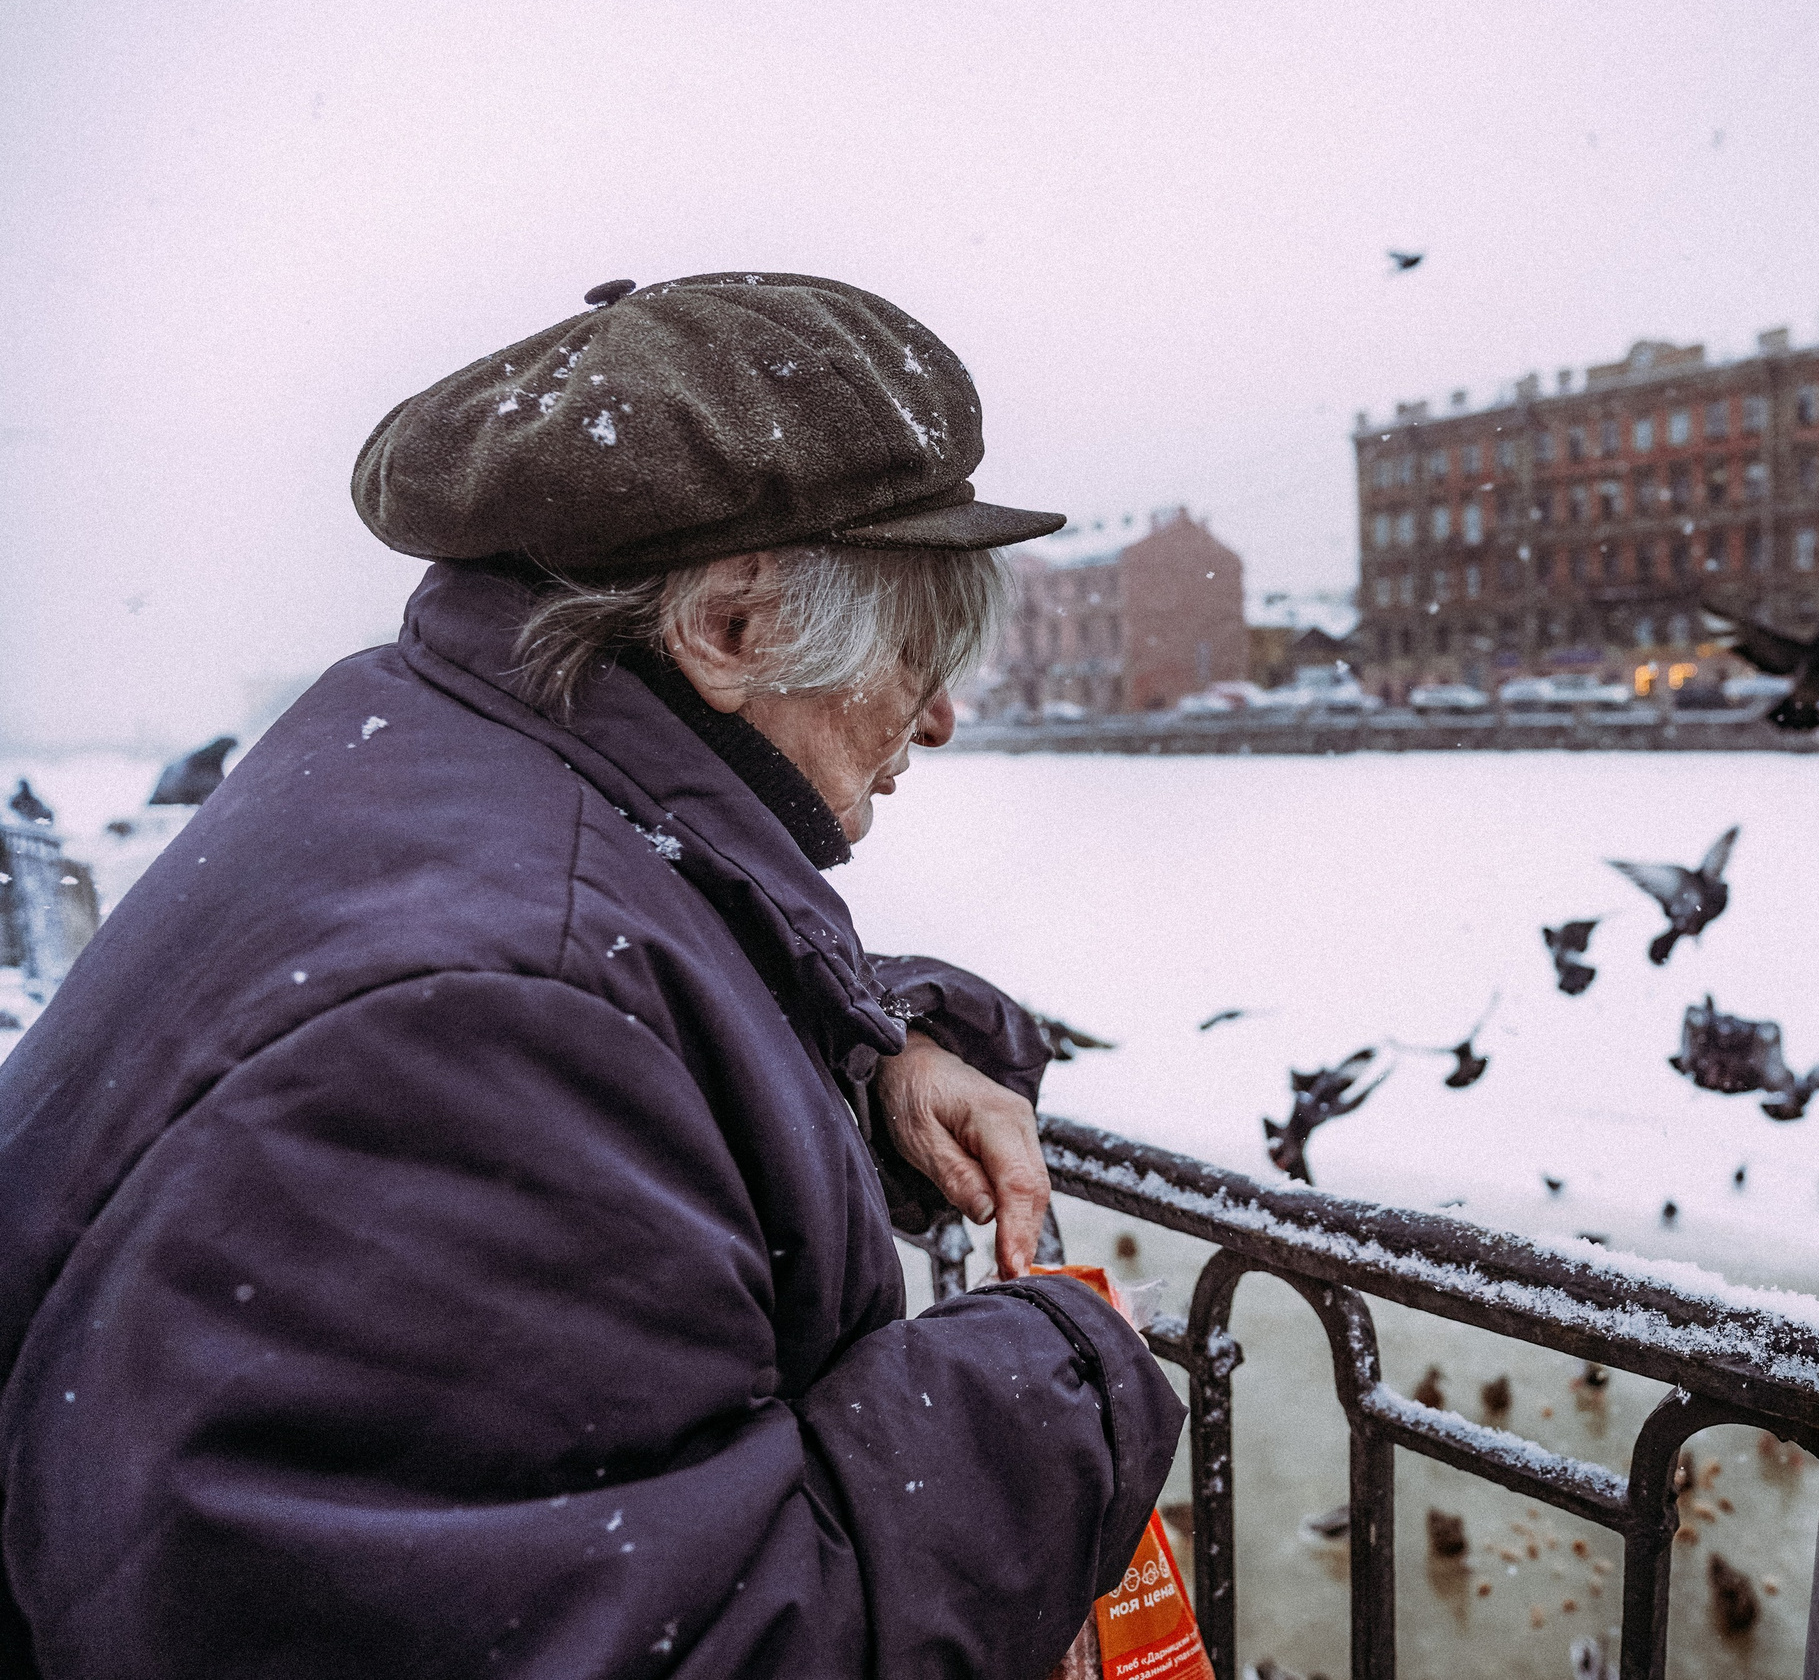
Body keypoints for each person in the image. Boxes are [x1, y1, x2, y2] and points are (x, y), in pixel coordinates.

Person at [0, 273, 1184, 1678]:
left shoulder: (432, 744)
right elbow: (631, 1644)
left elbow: (639, 933)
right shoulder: (493, 1024)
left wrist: (874, 1047)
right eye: (919, 651)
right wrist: (1051, 1400)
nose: (938, 714)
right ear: (733, 632)